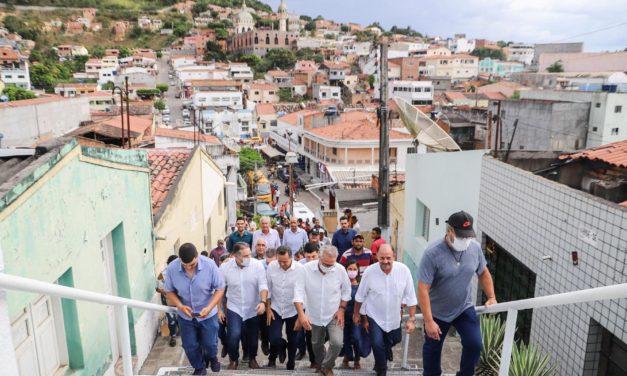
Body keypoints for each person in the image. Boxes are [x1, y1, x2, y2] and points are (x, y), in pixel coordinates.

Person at [418, 211, 497, 376]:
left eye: (468, 236)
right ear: (449, 232)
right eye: (461, 236)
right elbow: (423, 288)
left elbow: (483, 272)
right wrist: (428, 321)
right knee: (432, 352)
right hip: (437, 313)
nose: (465, 240)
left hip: (463, 307)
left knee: (474, 344)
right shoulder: (432, 253)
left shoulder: (474, 248)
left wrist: (491, 297)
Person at [354, 244, 418, 376]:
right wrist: (356, 314)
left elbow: (411, 297)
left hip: (394, 317)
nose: (385, 261)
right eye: (382, 258)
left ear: (394, 256)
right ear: (376, 257)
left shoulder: (404, 271)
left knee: (395, 339)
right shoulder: (369, 272)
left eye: (388, 258)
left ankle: (382, 357)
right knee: (377, 344)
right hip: (374, 316)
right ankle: (382, 371)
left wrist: (411, 319)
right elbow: (360, 296)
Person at [165, 244, 225, 375]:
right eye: (184, 265)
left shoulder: (210, 265)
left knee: (210, 344)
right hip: (186, 316)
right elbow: (169, 291)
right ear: (179, 259)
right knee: (189, 345)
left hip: (208, 314)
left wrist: (209, 308)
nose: (188, 268)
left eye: (191, 265)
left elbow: (220, 288)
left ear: (197, 256)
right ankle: (199, 367)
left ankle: (213, 357)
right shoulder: (172, 268)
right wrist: (180, 306)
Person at [293, 245, 352, 376]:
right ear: (319, 257)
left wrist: (342, 309)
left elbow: (346, 291)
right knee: (316, 343)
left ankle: (326, 367)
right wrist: (301, 315)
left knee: (337, 343)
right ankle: (322, 366)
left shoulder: (340, 270)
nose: (329, 267)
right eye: (326, 264)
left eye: (332, 264)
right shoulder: (305, 270)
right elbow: (298, 293)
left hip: (334, 314)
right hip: (313, 314)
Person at [219, 242, 269, 370]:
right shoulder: (225, 268)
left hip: (253, 307)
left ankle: (252, 359)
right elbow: (219, 290)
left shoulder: (257, 265)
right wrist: (219, 309)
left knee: (252, 337)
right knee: (233, 334)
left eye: (249, 254)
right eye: (245, 256)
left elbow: (263, 285)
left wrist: (263, 303)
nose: (249, 258)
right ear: (235, 255)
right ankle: (233, 359)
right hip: (234, 306)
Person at [265, 246, 304, 370]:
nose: (282, 264)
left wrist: (301, 314)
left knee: (293, 339)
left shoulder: (300, 269)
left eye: (285, 261)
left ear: (291, 257)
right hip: (275, 307)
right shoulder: (272, 266)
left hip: (293, 309)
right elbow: (268, 288)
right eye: (279, 261)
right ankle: (277, 352)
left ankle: (290, 363)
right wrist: (268, 308)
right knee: (274, 338)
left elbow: (301, 292)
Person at [341, 260, 362, 370]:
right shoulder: (341, 283)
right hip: (343, 315)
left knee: (356, 338)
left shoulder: (361, 284)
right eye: (350, 269)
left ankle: (357, 359)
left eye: (354, 269)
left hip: (356, 316)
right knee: (345, 338)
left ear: (358, 271)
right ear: (345, 270)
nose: (352, 271)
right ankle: (346, 358)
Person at [156, 255, 179, 347]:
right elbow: (158, 288)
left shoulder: (182, 271)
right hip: (168, 299)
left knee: (181, 317)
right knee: (171, 319)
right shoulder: (163, 274)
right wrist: (167, 291)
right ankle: (173, 336)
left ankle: (181, 333)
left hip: (180, 298)